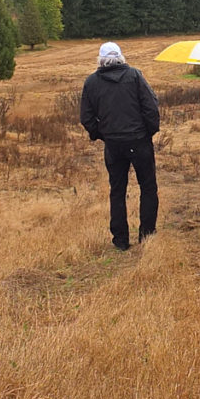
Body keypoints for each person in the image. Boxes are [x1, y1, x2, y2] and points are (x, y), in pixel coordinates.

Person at [80, 42, 160, 249]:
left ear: (100, 59)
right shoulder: (135, 76)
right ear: (121, 57)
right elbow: (151, 107)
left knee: (117, 190)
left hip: (114, 144)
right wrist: (148, 132)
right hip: (139, 140)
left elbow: (86, 117)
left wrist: (103, 135)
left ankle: (121, 240)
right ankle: (147, 235)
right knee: (148, 187)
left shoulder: (91, 82)